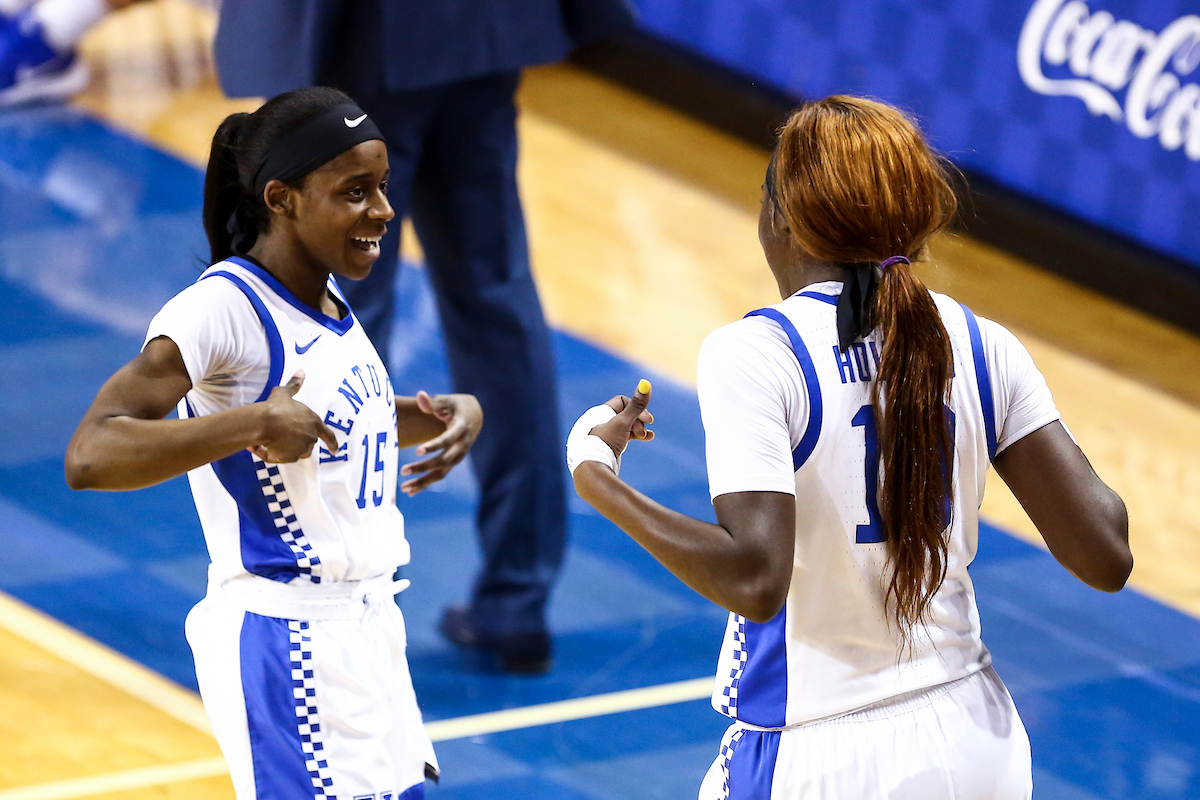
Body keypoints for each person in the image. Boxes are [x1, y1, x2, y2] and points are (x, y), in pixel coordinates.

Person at [566, 95, 1133, 799]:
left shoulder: (757, 353)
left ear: (782, 219)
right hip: (977, 737)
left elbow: (753, 578)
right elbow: (1105, 556)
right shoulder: (980, 342)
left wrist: (596, 473)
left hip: (816, 753)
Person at [65, 86, 482, 799]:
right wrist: (250, 423)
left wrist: (441, 415)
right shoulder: (220, 307)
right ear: (283, 198)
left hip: (369, 629)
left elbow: (330, 424)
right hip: (289, 639)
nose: (382, 211)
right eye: (356, 192)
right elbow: (90, 454)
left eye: (381, 187)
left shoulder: (325, 294)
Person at [212, 0, 635, 673]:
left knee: (337, 323)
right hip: (477, 32)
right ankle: (516, 601)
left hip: (357, 44)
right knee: (497, 303)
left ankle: (347, 598)